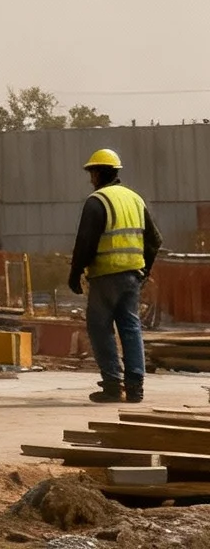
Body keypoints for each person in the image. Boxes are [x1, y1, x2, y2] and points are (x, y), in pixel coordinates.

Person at [69, 147, 161, 405]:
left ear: (98, 173)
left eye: (92, 173)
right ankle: (135, 387)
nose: (90, 179)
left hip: (106, 275)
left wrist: (75, 273)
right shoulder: (135, 199)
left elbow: (85, 242)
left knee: (99, 327)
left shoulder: (97, 201)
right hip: (132, 275)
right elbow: (155, 240)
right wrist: (144, 270)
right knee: (131, 327)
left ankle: (112, 385)